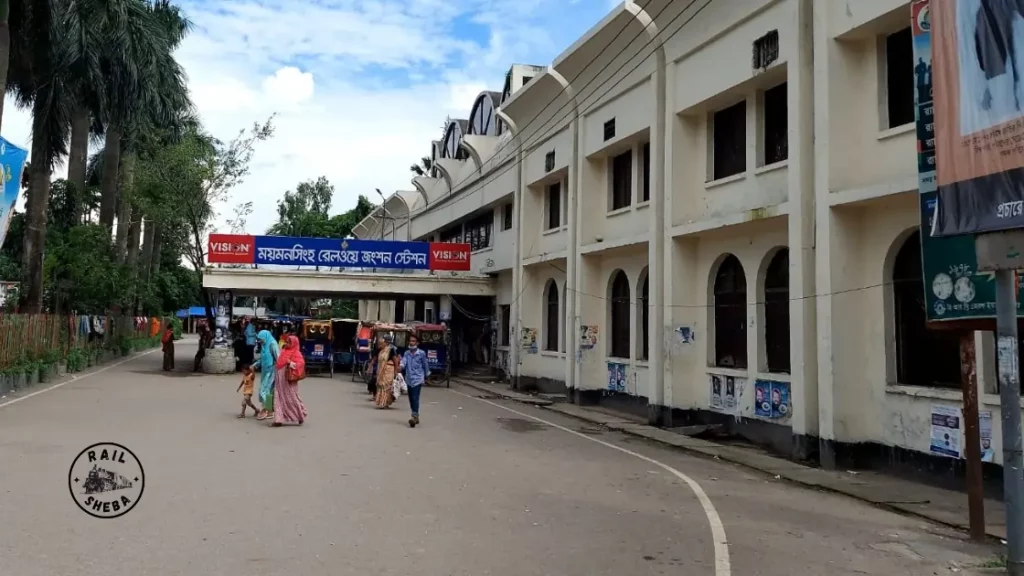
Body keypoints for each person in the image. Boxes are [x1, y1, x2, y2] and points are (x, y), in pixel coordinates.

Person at [272, 335, 307, 426]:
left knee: (292, 399)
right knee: (278, 397)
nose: (286, 344)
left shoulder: (296, 353)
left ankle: (300, 416)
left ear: (294, 344)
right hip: (280, 381)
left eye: (289, 342)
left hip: (289, 381)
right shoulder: (283, 351)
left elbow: (300, 364)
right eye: (286, 342)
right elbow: (279, 363)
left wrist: (290, 363)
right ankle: (278, 420)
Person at [401, 334, 430, 428]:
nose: (411, 343)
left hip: (418, 378)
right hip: (409, 378)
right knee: (410, 398)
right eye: (410, 341)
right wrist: (400, 366)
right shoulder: (406, 353)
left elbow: (425, 364)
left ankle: (414, 416)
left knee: (415, 397)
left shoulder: (421, 353)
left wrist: (426, 375)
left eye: (413, 341)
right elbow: (403, 362)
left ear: (417, 343)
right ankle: (416, 416)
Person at [254, 330, 279, 421]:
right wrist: (255, 365)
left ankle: (265, 409)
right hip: (265, 371)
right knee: (268, 391)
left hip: (271, 371)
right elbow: (262, 359)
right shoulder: (264, 345)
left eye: (261, 339)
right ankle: (270, 411)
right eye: (259, 340)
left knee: (264, 390)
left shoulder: (272, 344)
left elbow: (278, 358)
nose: (260, 341)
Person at [371, 336, 399, 408]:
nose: (380, 345)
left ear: (386, 343)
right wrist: (369, 367)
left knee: (386, 386)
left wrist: (396, 371)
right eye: (379, 344)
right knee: (380, 385)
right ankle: (382, 402)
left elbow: (395, 361)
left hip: (389, 370)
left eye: (381, 343)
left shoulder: (390, 350)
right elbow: (375, 359)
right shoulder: (379, 351)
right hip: (381, 371)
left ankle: (385, 403)